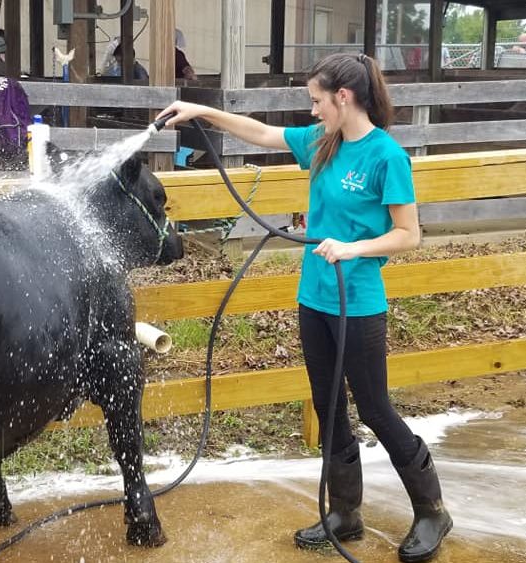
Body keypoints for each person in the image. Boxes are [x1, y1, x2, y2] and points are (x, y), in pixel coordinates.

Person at [157, 53, 451, 563]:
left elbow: (409, 235)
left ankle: (431, 510)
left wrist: (352, 248)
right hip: (314, 298)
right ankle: (345, 512)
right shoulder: (323, 142)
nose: (312, 111)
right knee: (328, 405)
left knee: (376, 410)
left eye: (316, 100)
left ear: (344, 98)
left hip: (357, 303)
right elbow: (263, 135)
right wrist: (200, 112)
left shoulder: (386, 157)